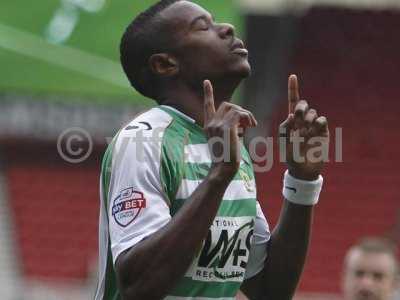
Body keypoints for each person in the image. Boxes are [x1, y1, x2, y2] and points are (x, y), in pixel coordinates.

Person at [94, 0, 329, 299]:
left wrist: (302, 181)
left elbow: (270, 290)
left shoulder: (232, 152)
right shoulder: (144, 142)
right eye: (203, 26)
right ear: (165, 64)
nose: (227, 28)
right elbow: (139, 286)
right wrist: (219, 175)